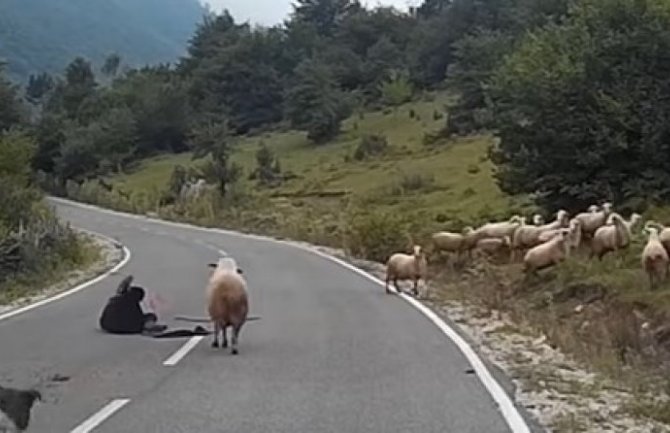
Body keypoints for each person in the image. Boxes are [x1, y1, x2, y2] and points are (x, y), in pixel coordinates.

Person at [99, 275, 167, 335]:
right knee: (150, 316)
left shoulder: (115, 300)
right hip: (128, 328)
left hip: (107, 326)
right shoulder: (133, 305)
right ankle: (150, 326)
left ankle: (148, 325)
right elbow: (138, 318)